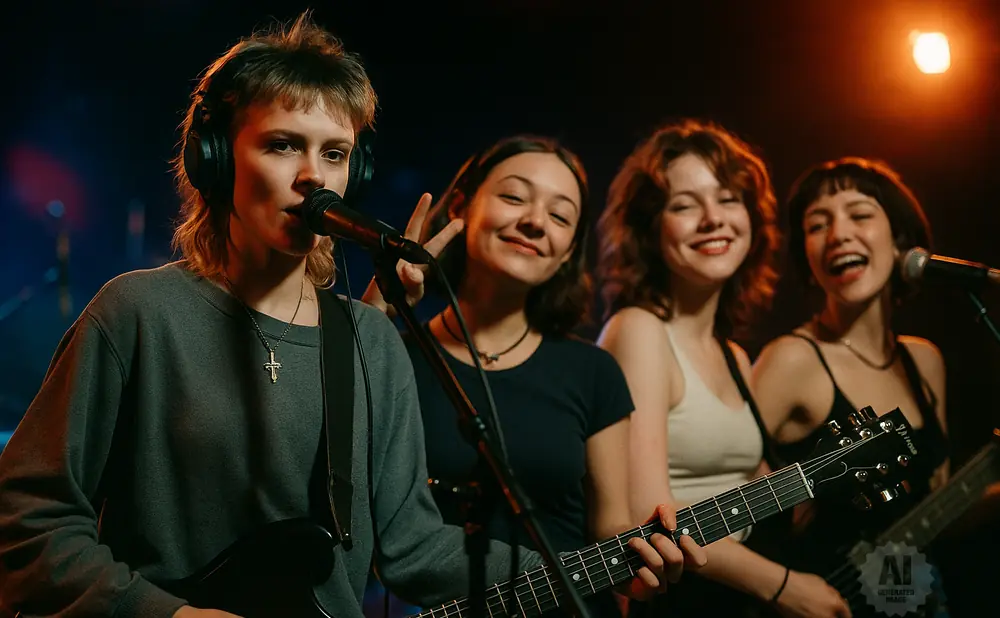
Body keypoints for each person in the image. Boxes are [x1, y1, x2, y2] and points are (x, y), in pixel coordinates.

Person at [0, 13, 546, 618]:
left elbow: (415, 548)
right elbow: (28, 519)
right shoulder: (137, 314)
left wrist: (598, 563)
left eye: (334, 153)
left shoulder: (371, 341)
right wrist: (167, 615)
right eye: (283, 145)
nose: (314, 175)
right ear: (217, 159)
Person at [361, 135, 707, 617]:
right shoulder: (390, 356)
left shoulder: (592, 371)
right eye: (513, 197)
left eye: (561, 215)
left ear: (568, 252)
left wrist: (645, 571)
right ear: (462, 205)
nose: (535, 221)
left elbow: (611, 534)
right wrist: (373, 317)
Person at [595, 119, 852, 617]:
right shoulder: (640, 330)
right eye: (684, 204)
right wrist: (785, 586)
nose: (713, 218)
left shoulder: (732, 355)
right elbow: (647, 519)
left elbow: (742, 490)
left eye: (729, 198)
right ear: (651, 230)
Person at [751, 157, 950, 617]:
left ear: (900, 240)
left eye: (860, 215)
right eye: (817, 225)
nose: (839, 233)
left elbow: (933, 504)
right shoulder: (793, 358)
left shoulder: (925, 361)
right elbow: (729, 491)